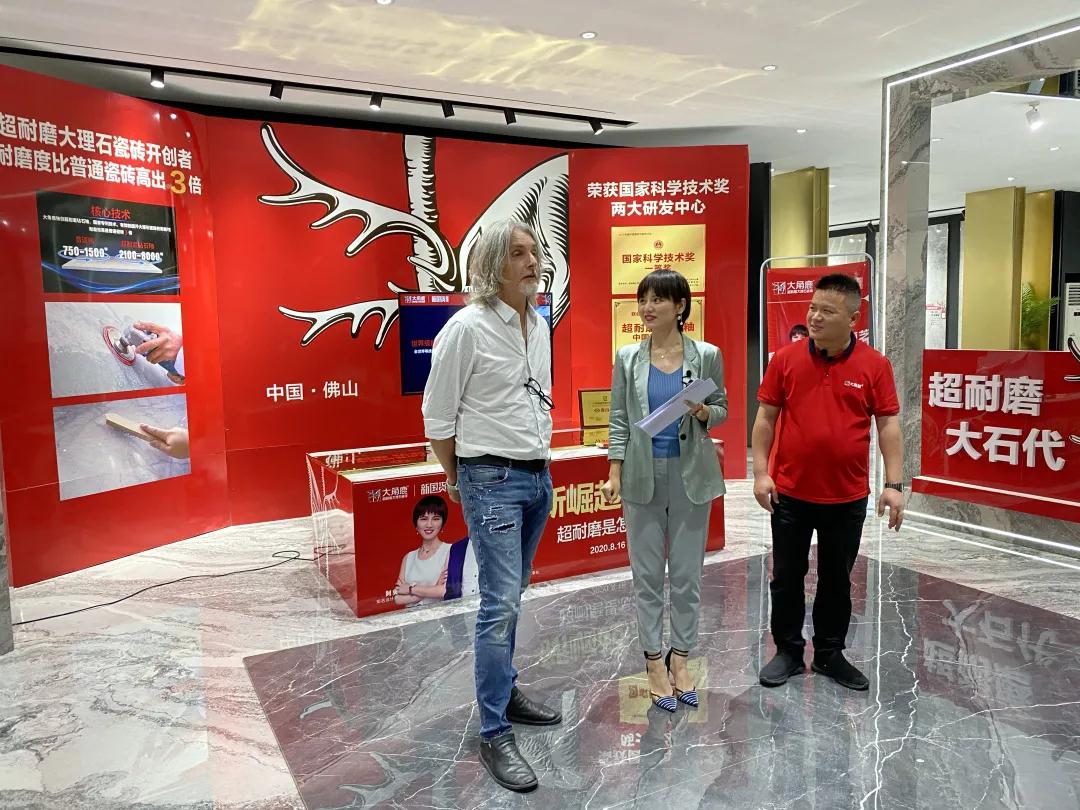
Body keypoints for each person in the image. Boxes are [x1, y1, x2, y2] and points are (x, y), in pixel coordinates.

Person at [421, 217, 560, 793]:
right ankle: (494, 730)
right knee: (499, 605)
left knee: (513, 593)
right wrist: (460, 479)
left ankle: (506, 689)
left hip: (537, 475)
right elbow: (437, 418)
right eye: (519, 254)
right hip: (491, 477)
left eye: (535, 252)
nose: (533, 262)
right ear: (492, 265)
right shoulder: (466, 329)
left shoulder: (539, 323)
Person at [752, 273, 904, 692]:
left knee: (837, 579)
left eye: (827, 311)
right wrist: (761, 472)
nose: (815, 317)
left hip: (846, 496)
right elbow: (765, 418)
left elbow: (888, 425)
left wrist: (894, 484)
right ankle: (787, 651)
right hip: (790, 493)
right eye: (812, 308)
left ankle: (829, 654)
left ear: (853, 319)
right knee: (787, 575)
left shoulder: (875, 365)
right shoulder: (785, 359)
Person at [602, 269, 727, 713]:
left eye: (657, 299)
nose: (647, 308)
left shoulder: (706, 355)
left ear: (680, 306)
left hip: (692, 475)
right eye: (644, 300)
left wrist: (704, 412)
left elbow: (723, 407)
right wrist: (615, 471)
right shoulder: (628, 358)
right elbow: (619, 418)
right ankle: (653, 661)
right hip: (642, 475)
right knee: (648, 575)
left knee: (688, 575)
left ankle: (682, 658)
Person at [393, 495, 452, 607]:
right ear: (416, 524)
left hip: (438, 616)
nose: (429, 524)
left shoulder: (450, 551)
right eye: (423, 519)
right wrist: (433, 588)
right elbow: (397, 598)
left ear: (442, 523)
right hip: (409, 616)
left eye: (435, 519)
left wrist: (410, 589)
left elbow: (443, 591)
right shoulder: (409, 557)